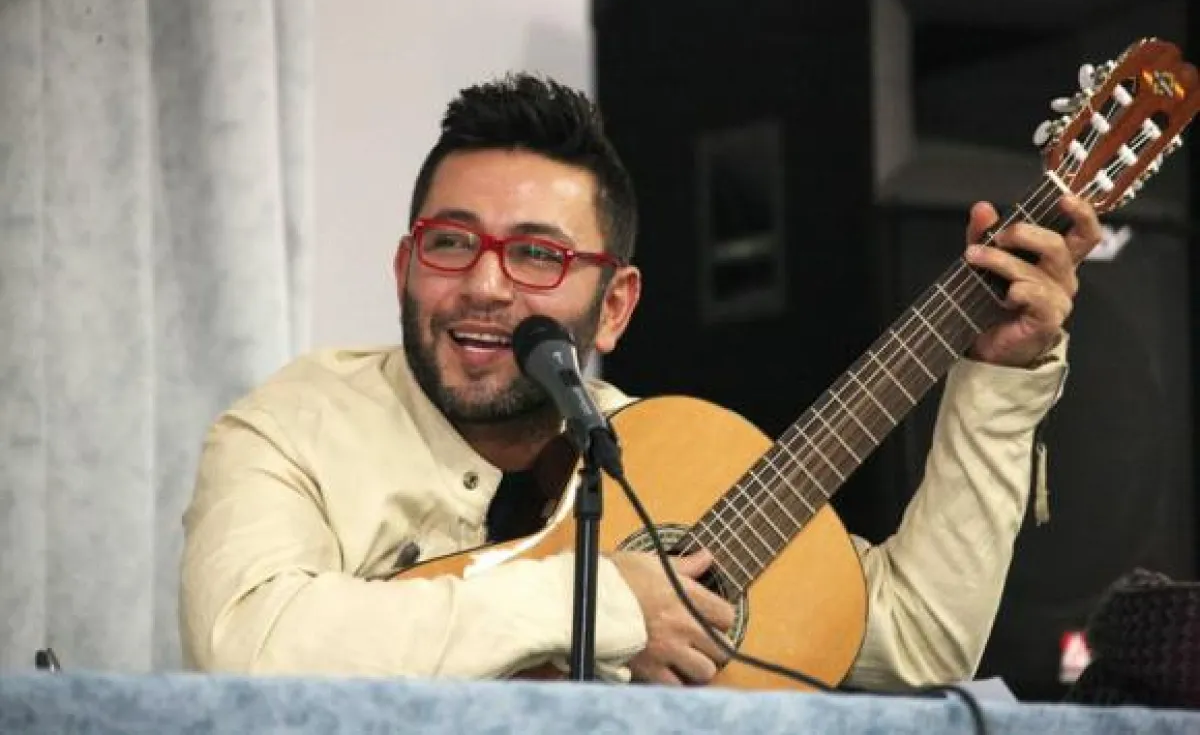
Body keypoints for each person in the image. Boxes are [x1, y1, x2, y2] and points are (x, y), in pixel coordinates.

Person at [179, 73, 1102, 689]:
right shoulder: (289, 429)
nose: (485, 284)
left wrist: (998, 379)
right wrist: (606, 604)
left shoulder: (667, 459)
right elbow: (248, 648)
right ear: (404, 268)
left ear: (615, 305)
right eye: (451, 242)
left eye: (537, 253)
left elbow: (917, 641)